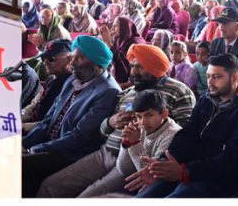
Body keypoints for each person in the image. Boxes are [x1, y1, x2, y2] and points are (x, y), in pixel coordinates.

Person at [36, 44, 195, 198]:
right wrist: (111, 122)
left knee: (86, 198)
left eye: (140, 67)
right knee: (50, 186)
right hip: (105, 152)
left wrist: (147, 127)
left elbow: (183, 134)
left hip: (135, 159)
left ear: (154, 67)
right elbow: (103, 131)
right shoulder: (128, 92)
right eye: (132, 66)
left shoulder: (179, 91)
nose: (133, 72)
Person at [131, 53, 238, 197]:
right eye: (208, 76)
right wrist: (163, 163)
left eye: (217, 77)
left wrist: (186, 171)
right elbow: (188, 133)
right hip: (187, 167)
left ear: (235, 77)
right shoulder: (207, 98)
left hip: (218, 179)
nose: (210, 82)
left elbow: (232, 158)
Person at [21, 35, 121, 197]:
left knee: (18, 167)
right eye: (73, 57)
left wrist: (34, 150)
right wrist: (25, 144)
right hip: (49, 144)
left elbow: (78, 136)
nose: (72, 63)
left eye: (79, 59)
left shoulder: (108, 91)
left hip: (69, 152)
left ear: (96, 64)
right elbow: (49, 120)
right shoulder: (72, 80)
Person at [21, 39, 73, 132]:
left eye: (51, 59)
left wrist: (21, 127)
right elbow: (32, 106)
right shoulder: (51, 78)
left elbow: (52, 122)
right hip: (30, 126)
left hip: (42, 133)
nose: (45, 63)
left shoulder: (71, 87)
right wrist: (17, 119)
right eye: (43, 59)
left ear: (69, 59)